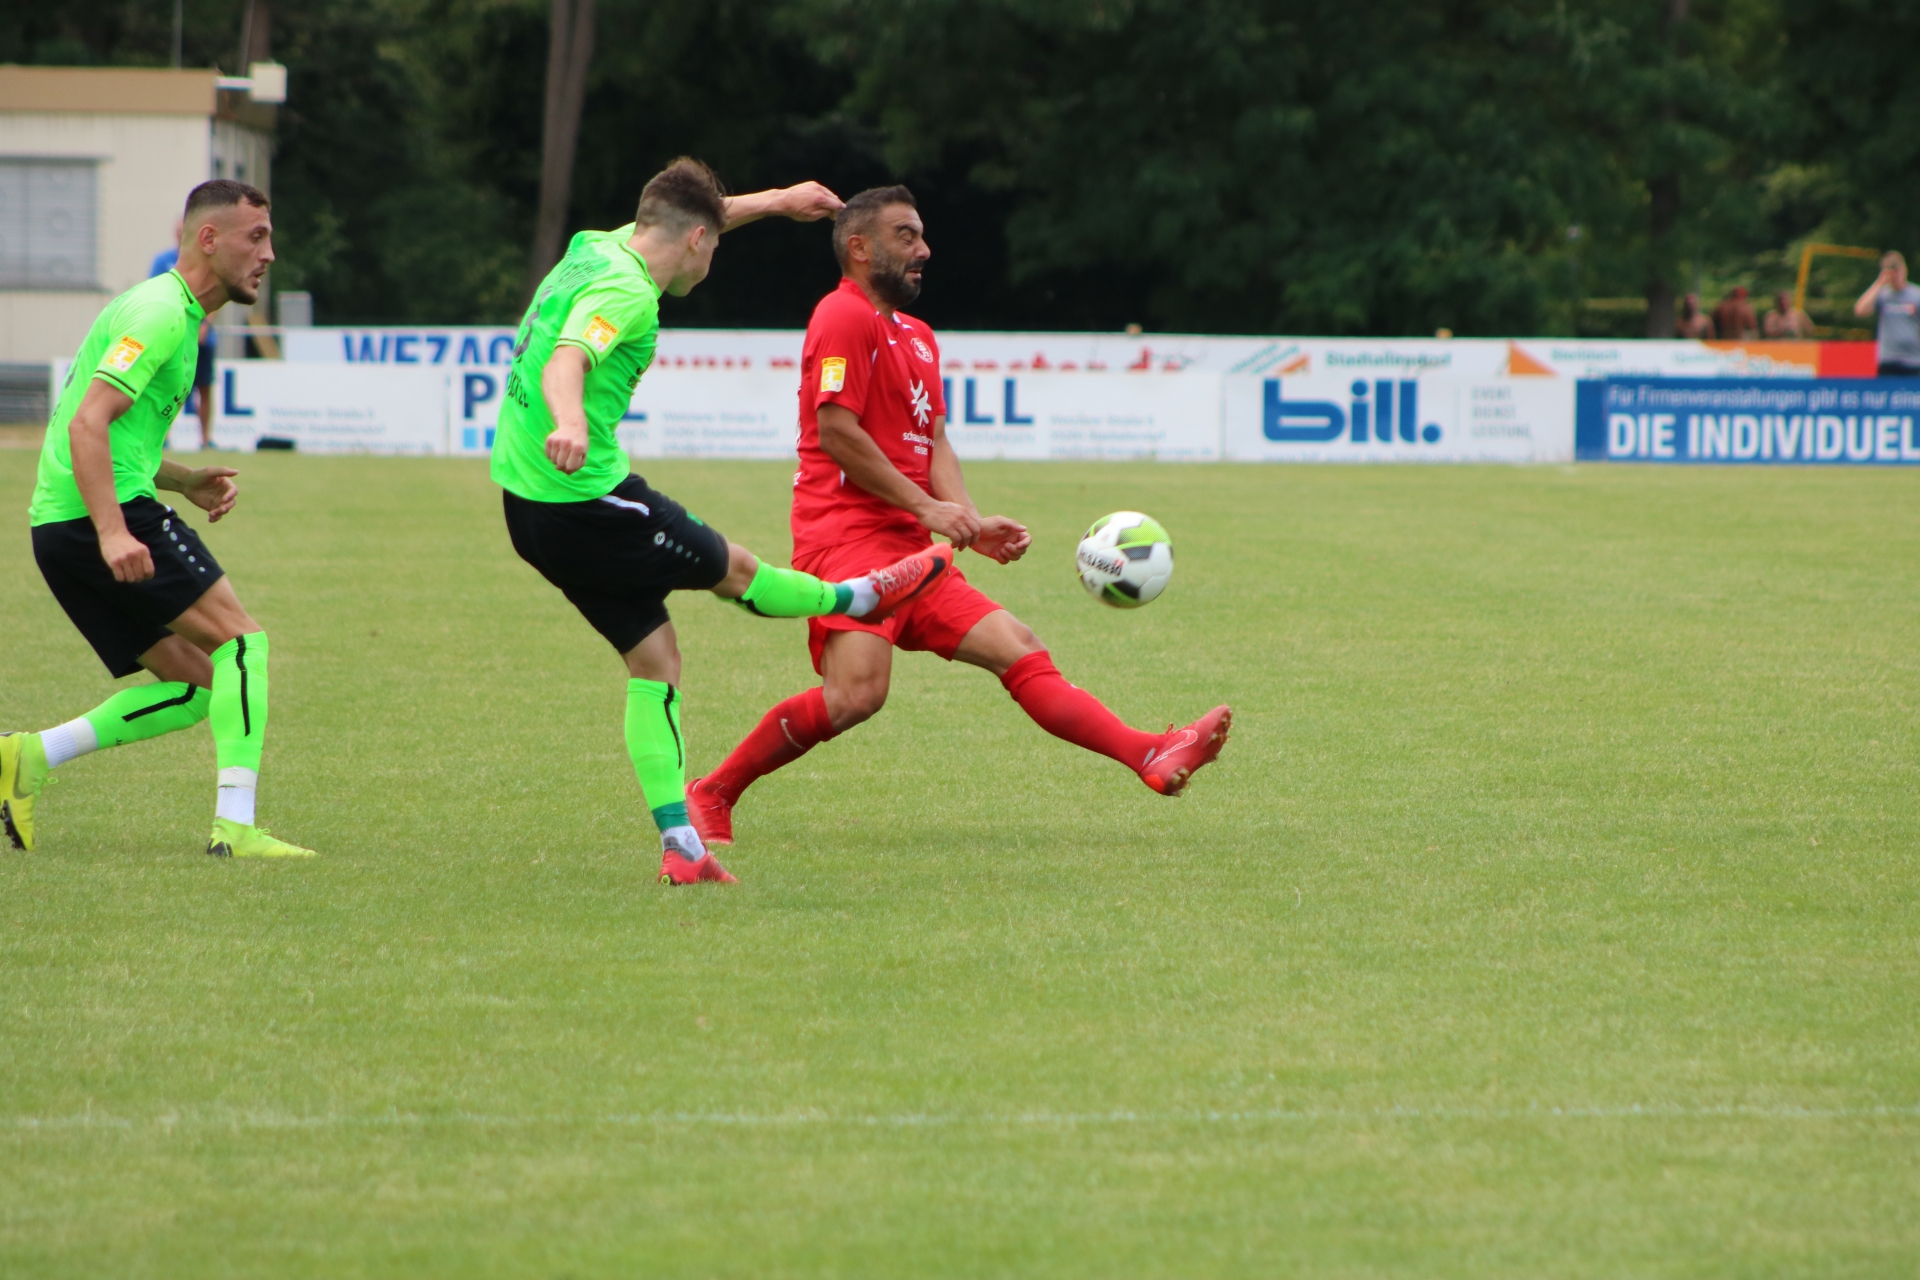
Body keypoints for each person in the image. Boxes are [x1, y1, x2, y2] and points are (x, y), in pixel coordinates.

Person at [685, 186, 1231, 851]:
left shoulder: (918, 337)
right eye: (905, 236)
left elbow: (933, 440)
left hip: (914, 551)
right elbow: (837, 432)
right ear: (859, 248)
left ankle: (1149, 752)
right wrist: (927, 508)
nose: (924, 249)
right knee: (855, 696)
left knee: (1019, 647)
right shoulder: (842, 314)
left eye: (921, 235)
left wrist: (967, 520)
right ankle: (713, 791)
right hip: (847, 540)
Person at [494, 158, 952, 887]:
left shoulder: (599, 246)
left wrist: (777, 201)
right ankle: (858, 596)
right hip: (586, 497)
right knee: (734, 571)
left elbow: (697, 216)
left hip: (528, 507)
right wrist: (572, 422)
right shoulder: (626, 292)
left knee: (656, 665)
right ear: (698, 243)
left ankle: (682, 848)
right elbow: (569, 357)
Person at [1, 180, 312, 858]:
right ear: (210, 239)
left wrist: (183, 480)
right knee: (243, 646)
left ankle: (28, 755)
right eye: (257, 237)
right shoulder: (162, 313)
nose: (269, 254)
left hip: (60, 527)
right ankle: (236, 828)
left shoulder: (171, 313)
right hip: (99, 519)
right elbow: (86, 423)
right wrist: (114, 530)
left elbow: (112, 435)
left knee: (199, 683)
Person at [150, 223, 217, 449]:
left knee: (205, 387)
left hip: (202, 338)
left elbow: (215, 295)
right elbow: (155, 293)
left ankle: (205, 440)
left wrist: (204, 325)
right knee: (169, 386)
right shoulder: (163, 261)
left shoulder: (206, 260)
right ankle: (164, 439)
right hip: (174, 336)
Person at [1853, 251, 1920, 377]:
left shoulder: (1916, 295)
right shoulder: (1882, 295)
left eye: (1897, 272)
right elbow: (1860, 310)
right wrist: (1879, 283)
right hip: (1888, 359)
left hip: (1913, 360)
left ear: (1904, 270)